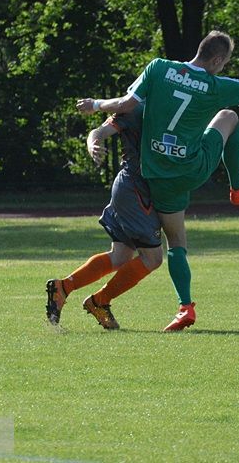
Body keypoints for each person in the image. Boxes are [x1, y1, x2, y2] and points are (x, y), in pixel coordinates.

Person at [77, 30, 239, 331]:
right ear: (218, 59)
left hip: (156, 173)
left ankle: (185, 307)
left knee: (174, 242)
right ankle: (237, 188)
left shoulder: (159, 68)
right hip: (192, 167)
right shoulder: (214, 85)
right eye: (224, 63)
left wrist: (96, 105)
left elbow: (127, 104)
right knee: (229, 117)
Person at [45, 102, 162, 330]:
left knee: (120, 256)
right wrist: (93, 144)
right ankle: (100, 301)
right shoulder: (136, 107)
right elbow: (98, 131)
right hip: (134, 190)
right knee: (152, 258)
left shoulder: (172, 105)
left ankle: (64, 287)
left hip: (134, 188)